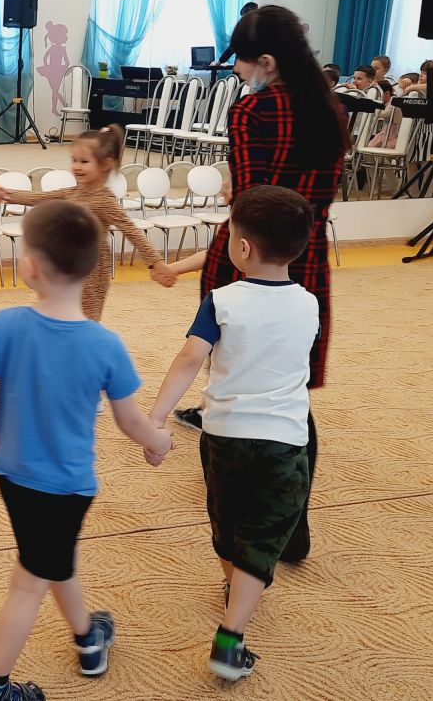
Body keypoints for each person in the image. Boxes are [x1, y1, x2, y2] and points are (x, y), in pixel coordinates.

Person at [0, 200, 173, 701]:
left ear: (31, 267)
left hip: (13, 477)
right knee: (32, 578)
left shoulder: (7, 324)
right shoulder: (105, 344)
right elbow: (131, 421)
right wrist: (158, 440)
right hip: (65, 488)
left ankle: (88, 638)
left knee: (53, 557)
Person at [164, 5, 350, 564]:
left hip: (246, 256)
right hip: (304, 256)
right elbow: (308, 194)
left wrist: (235, 195)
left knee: (234, 375)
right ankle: (291, 525)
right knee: (289, 386)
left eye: (242, 65)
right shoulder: (331, 108)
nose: (239, 75)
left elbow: (250, 200)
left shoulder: (252, 111)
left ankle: (239, 515)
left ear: (266, 61)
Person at [147, 186, 319, 682]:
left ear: (241, 248)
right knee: (265, 531)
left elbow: (189, 358)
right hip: (284, 439)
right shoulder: (309, 304)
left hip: (224, 435)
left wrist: (156, 419)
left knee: (228, 520)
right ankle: (231, 635)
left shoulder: (220, 300)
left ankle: (234, 589)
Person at [0, 127, 176, 320]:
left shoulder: (105, 201)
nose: (76, 166)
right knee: (59, 309)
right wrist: (5, 195)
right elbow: (39, 198)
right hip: (65, 262)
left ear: (106, 163)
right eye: (74, 160)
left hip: (92, 268)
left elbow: (131, 231)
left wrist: (156, 263)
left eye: (84, 161)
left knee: (87, 315)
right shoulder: (72, 192)